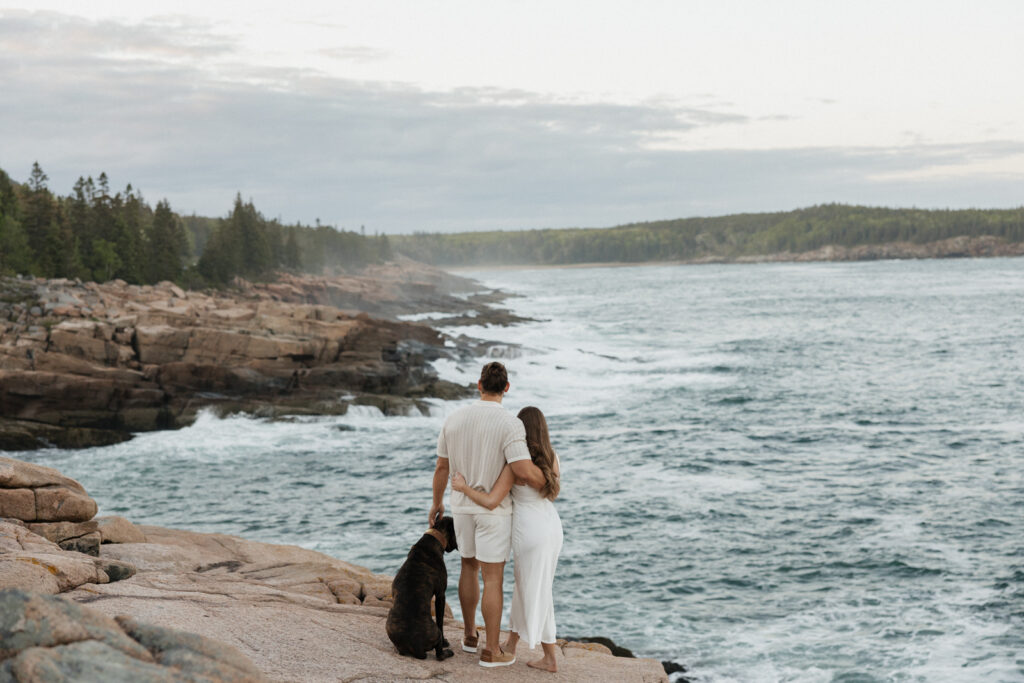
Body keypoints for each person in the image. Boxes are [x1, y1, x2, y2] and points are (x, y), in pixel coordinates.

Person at [430, 362, 546, 668]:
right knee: (492, 578)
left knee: (467, 567)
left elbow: (442, 467)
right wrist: (548, 481)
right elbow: (521, 468)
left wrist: (436, 502)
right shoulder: (510, 424)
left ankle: (470, 636)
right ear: (506, 388)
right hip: (493, 512)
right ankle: (492, 650)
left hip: (461, 506)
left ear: (478, 385)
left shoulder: (453, 419)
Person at [451, 406, 563, 673]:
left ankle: (547, 656)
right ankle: (512, 643)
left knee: (533, 590)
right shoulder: (552, 457)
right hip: (551, 527)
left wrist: (464, 488)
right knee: (534, 588)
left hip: (530, 532)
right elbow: (552, 491)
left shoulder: (516, 465)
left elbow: (491, 501)